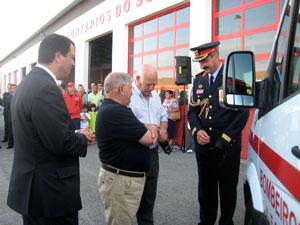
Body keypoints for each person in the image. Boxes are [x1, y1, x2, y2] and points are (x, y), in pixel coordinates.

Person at [7, 33, 95, 225]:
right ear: (58, 56)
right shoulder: (45, 88)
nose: (73, 63)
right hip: (49, 196)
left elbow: (42, 132)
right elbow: (61, 142)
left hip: (35, 191)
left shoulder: (28, 83)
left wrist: (72, 133)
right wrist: (82, 137)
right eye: (71, 57)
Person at [188, 41, 249, 225]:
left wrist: (224, 140)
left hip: (226, 147)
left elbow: (242, 114)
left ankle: (225, 222)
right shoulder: (199, 80)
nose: (202, 66)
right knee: (206, 190)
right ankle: (206, 221)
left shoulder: (233, 78)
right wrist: (197, 131)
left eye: (204, 60)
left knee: (227, 189)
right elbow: (192, 112)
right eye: (199, 62)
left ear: (215, 55)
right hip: (204, 147)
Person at [96, 72, 157, 225]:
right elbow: (149, 139)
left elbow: (134, 129)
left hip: (120, 180)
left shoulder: (112, 109)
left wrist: (146, 127)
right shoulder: (117, 111)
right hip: (120, 183)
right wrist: (154, 129)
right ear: (121, 89)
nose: (132, 92)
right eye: (130, 88)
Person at [130, 64, 168, 225]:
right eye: (148, 84)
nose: (152, 88)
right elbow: (124, 123)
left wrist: (163, 130)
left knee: (148, 199)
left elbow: (163, 116)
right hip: (133, 153)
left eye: (154, 84)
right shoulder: (127, 95)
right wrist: (148, 128)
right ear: (138, 78)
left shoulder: (156, 96)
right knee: (130, 200)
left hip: (152, 154)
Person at [6, 83, 17, 149]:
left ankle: (16, 144)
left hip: (17, 117)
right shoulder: (8, 97)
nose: (13, 89)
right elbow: (7, 108)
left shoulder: (19, 95)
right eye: (12, 88)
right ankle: (10, 144)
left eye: (14, 88)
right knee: (11, 131)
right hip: (10, 117)